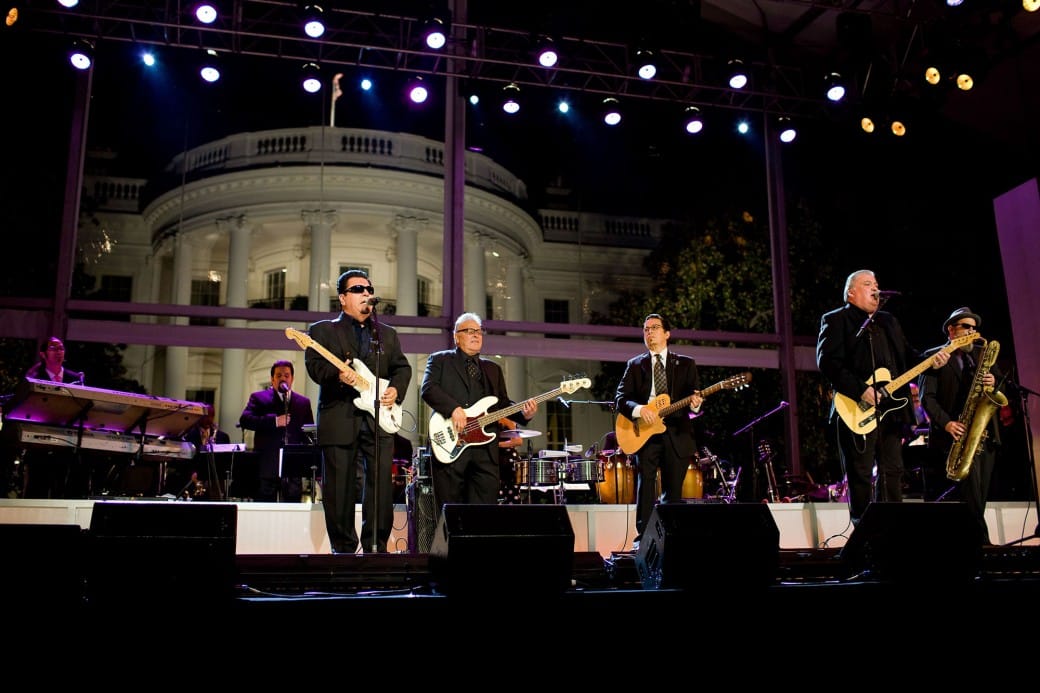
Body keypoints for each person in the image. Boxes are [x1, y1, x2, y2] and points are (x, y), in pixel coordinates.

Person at [816, 269, 949, 526]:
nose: (875, 289)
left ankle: (891, 531)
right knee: (861, 474)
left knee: (892, 471)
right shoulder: (836, 319)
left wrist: (931, 361)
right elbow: (828, 362)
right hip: (855, 409)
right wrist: (860, 390)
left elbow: (908, 356)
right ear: (851, 293)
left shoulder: (888, 321)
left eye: (877, 284)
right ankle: (864, 536)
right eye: (868, 284)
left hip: (891, 409)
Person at [306, 269, 412, 554]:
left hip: (378, 418)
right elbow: (315, 367)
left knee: (379, 487)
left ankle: (375, 546)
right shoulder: (322, 331)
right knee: (338, 488)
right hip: (339, 415)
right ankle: (343, 550)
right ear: (342, 298)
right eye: (358, 289)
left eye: (368, 288)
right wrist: (338, 375)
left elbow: (402, 367)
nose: (366, 292)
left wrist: (395, 390)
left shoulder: (386, 334)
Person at [421, 312, 537, 511]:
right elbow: (428, 389)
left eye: (479, 331)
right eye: (469, 331)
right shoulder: (440, 360)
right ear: (456, 336)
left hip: (486, 452)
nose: (476, 335)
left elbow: (501, 404)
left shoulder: (493, 369)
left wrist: (523, 414)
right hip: (452, 446)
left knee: (484, 515)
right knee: (451, 513)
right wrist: (453, 409)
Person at [613, 313, 703, 548]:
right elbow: (621, 398)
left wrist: (696, 403)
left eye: (654, 328)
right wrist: (640, 410)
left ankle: (670, 540)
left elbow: (695, 396)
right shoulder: (635, 365)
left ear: (667, 333)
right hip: (645, 433)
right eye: (645, 329)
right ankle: (643, 539)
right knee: (646, 485)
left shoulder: (685, 364)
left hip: (676, 432)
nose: (649, 332)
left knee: (673, 492)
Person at [918, 307, 1003, 544]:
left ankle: (972, 546)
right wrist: (947, 424)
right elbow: (927, 398)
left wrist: (994, 382)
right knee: (972, 497)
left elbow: (1001, 391)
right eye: (966, 327)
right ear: (951, 330)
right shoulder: (935, 355)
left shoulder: (982, 354)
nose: (972, 332)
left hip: (985, 435)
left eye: (974, 328)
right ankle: (984, 547)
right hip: (956, 434)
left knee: (980, 496)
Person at [239, 359, 314, 502]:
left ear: (292, 378)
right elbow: (245, 420)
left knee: (292, 510)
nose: (283, 378)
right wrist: (273, 421)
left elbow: (308, 433)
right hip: (266, 466)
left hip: (292, 468)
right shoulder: (259, 398)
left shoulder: (303, 402)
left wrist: (308, 461)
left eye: (286, 375)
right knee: (264, 508)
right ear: (272, 379)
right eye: (279, 376)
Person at [21, 337, 86, 498]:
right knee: (35, 490)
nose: (59, 352)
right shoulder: (34, 376)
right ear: (43, 354)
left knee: (63, 491)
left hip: (66, 444)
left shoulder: (75, 379)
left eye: (61, 348)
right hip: (39, 443)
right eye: (53, 348)